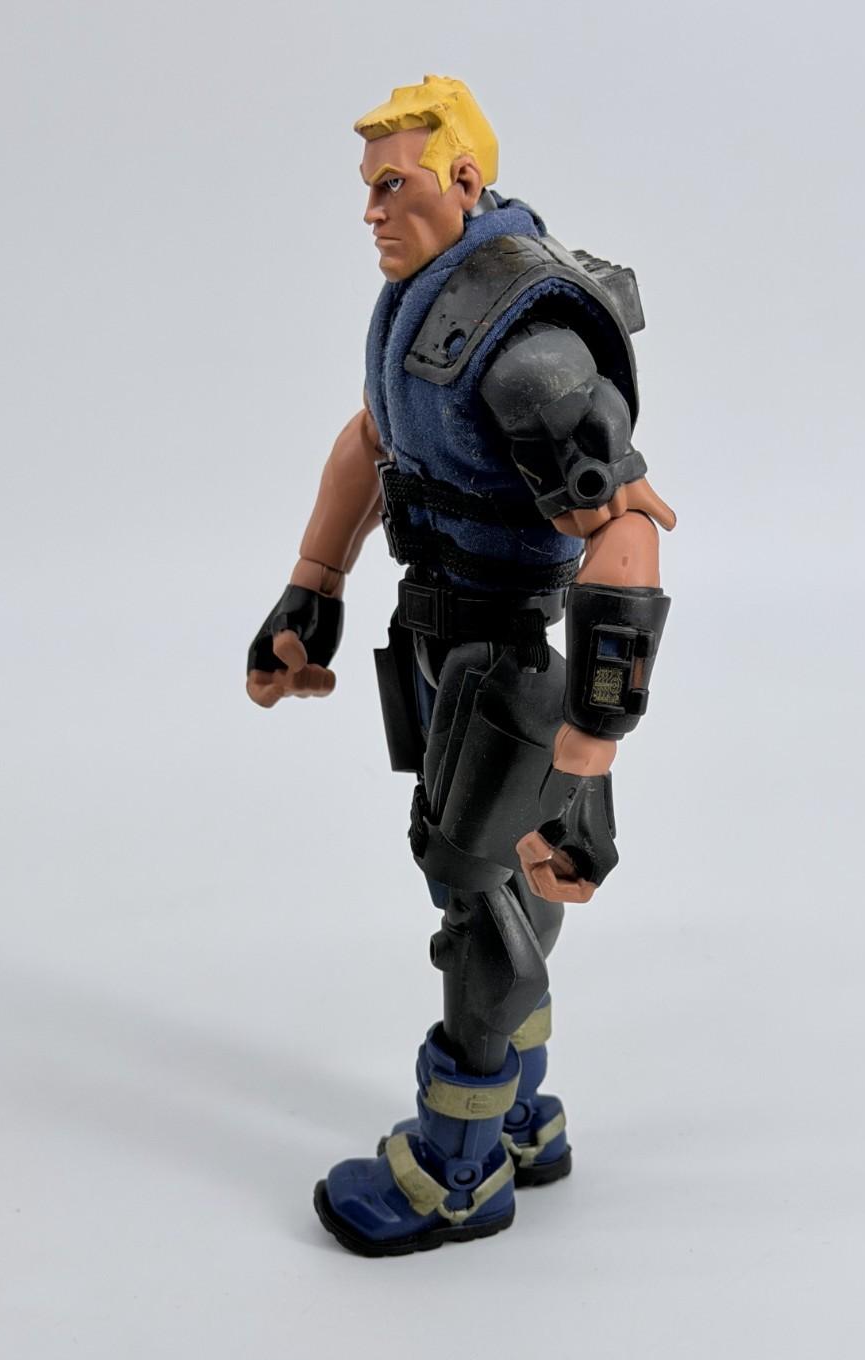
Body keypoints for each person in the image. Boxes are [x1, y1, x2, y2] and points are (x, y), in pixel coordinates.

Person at [247, 75, 676, 1257]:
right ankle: (523, 1113)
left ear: (465, 179)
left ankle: (458, 1163)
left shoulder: (530, 348)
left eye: (394, 185)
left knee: (475, 890)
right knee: (494, 885)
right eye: (369, 188)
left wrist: (589, 746)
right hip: (443, 635)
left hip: (511, 656)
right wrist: (314, 584)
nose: (373, 211)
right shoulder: (421, 302)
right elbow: (376, 436)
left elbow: (627, 532)